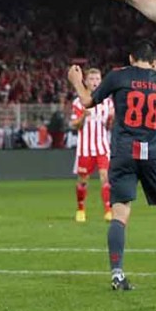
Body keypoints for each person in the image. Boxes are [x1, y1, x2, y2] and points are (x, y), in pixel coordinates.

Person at [69, 44, 156, 291]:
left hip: (123, 153)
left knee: (120, 214)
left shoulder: (118, 76)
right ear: (154, 61)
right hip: (152, 155)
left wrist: (76, 81)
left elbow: (87, 100)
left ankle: (117, 275)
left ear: (131, 58)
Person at [69, 67, 113, 223]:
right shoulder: (78, 102)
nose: (95, 82)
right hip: (85, 148)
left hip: (102, 147)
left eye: (98, 79)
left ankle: (108, 210)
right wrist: (83, 116)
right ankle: (80, 209)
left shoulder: (107, 102)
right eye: (92, 79)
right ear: (86, 82)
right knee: (83, 180)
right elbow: (74, 125)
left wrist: (111, 119)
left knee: (105, 177)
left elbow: (108, 126)